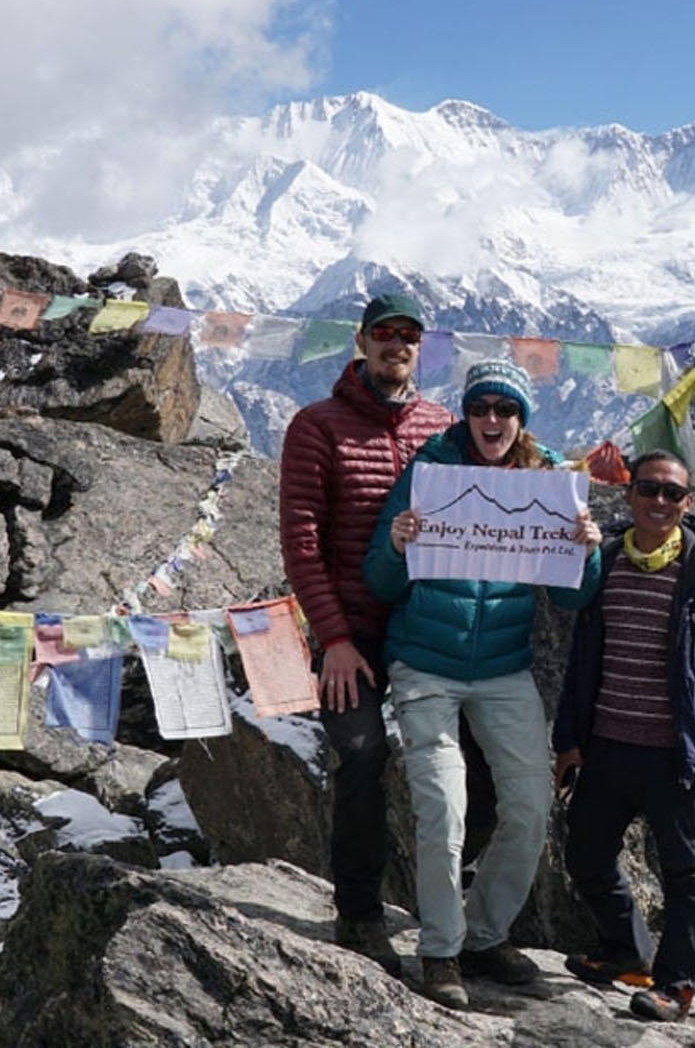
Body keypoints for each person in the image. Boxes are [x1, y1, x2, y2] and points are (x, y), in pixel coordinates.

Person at [365, 359, 603, 1010]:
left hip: (503, 667)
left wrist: (587, 548)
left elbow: (575, 594)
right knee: (445, 808)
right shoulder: (429, 471)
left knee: (531, 803)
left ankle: (485, 934)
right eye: (481, 408)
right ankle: (441, 949)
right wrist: (395, 541)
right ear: (465, 413)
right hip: (424, 665)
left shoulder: (547, 479)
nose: (492, 420)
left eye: (506, 409)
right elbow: (383, 582)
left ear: (522, 418)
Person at [278, 292, 451, 976]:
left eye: (408, 336)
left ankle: (460, 919)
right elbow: (301, 542)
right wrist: (335, 639)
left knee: (470, 761)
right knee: (361, 754)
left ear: (420, 347)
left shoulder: (442, 427)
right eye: (384, 334)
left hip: (423, 630)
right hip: (349, 634)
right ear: (361, 341)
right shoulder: (316, 426)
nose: (396, 346)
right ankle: (359, 912)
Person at [553, 451, 695, 1023]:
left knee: (683, 871)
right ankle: (627, 951)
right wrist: (569, 738)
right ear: (629, 494)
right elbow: (580, 658)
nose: (659, 502)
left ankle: (678, 984)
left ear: (687, 504)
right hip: (607, 743)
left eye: (672, 494)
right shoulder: (607, 557)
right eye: (649, 489)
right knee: (586, 854)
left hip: (672, 753)